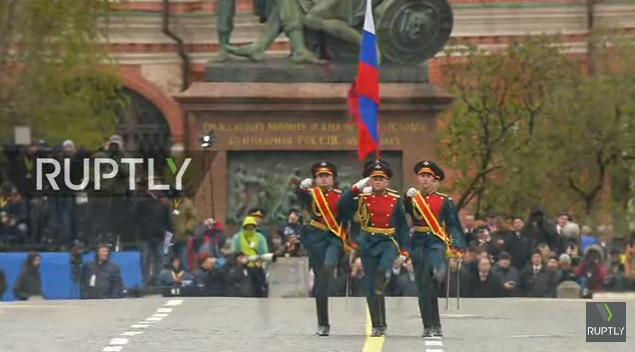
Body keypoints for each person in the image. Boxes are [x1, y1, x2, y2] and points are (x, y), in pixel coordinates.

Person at [339, 159, 409, 337]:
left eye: (381, 179)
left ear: (387, 181)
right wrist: (356, 187)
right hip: (368, 241)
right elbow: (341, 206)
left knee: (381, 273)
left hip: (387, 240)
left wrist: (404, 251)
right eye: (374, 179)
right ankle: (378, 324)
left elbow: (402, 226)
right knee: (371, 287)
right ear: (369, 181)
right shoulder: (362, 198)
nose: (377, 182)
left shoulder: (395, 199)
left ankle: (385, 274)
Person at [404, 160, 466, 337]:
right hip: (418, 241)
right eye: (421, 176)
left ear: (435, 180)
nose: (424, 180)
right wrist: (407, 198)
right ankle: (430, 325)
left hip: (436, 241)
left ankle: (439, 269)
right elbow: (405, 211)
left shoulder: (445, 201)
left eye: (428, 177)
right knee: (424, 287)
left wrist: (458, 248)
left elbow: (453, 225)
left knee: (435, 268)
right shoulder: (413, 198)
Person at [296, 161, 344, 336]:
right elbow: (301, 198)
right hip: (316, 239)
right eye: (320, 176)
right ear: (315, 179)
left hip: (334, 238)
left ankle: (332, 267)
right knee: (320, 283)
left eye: (327, 176)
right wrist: (301, 188)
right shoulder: (312, 194)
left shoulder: (341, 195)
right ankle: (323, 323)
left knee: (328, 265)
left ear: (333, 178)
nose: (323, 179)